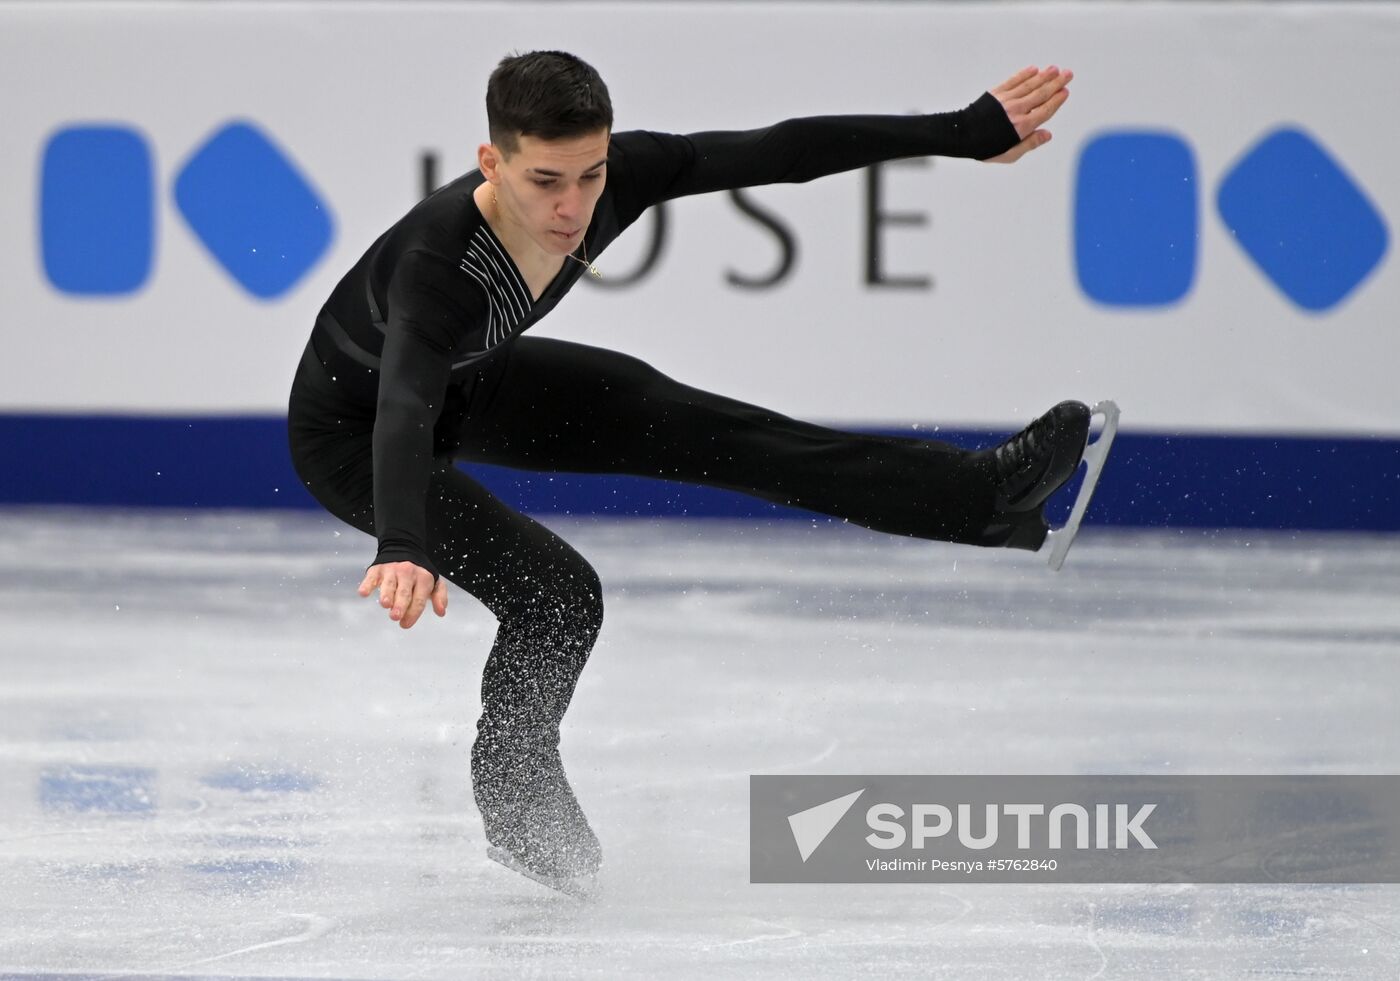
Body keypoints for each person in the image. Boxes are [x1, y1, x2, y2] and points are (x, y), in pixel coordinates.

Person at [288, 50, 1091, 895]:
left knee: (694, 421)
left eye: (590, 175)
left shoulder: (616, 178)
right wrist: (403, 540)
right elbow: (403, 403)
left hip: (468, 381)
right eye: (545, 181)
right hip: (356, 435)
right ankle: (516, 793)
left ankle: (981, 497)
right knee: (559, 595)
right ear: (492, 163)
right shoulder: (437, 266)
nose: (571, 208)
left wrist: (962, 133)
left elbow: (778, 149)